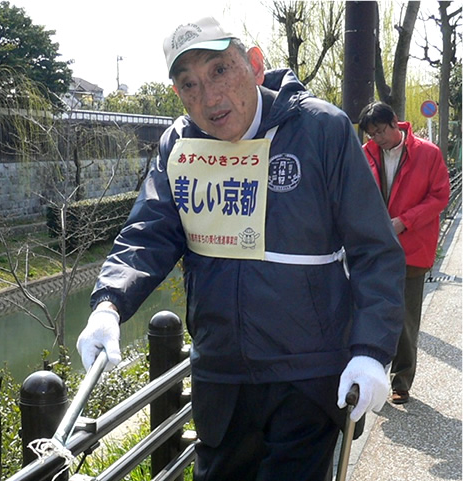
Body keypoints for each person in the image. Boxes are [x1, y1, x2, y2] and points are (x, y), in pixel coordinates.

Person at [77, 17, 405, 481]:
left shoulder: (320, 130)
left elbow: (375, 250)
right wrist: (109, 304)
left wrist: (372, 351)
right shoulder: (181, 144)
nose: (208, 98)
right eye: (189, 84)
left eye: (219, 71)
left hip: (307, 371)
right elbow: (150, 231)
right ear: (177, 93)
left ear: (254, 64)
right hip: (221, 372)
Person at [358, 101, 450, 405]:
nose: (377, 139)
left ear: (395, 122)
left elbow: (440, 197)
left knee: (407, 319)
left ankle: (401, 381)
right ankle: (372, 379)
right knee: (372, 315)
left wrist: (404, 222)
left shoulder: (428, 153)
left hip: (412, 247)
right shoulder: (367, 154)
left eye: (380, 131)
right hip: (376, 249)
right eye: (371, 134)